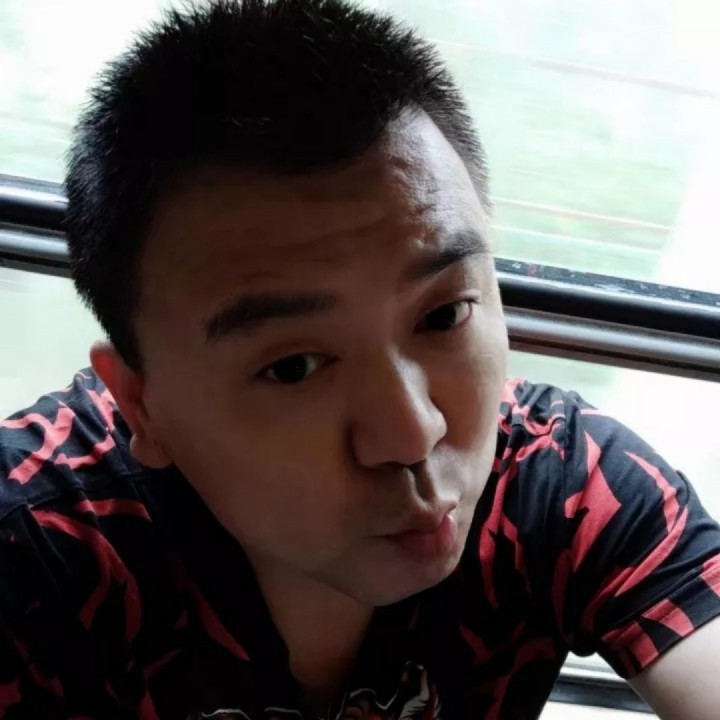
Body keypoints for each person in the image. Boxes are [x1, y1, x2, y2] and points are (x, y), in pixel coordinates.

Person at [1, 0, 719, 717]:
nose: (413, 434)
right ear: (141, 403)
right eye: (294, 366)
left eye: (443, 315)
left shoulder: (559, 483)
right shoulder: (39, 546)